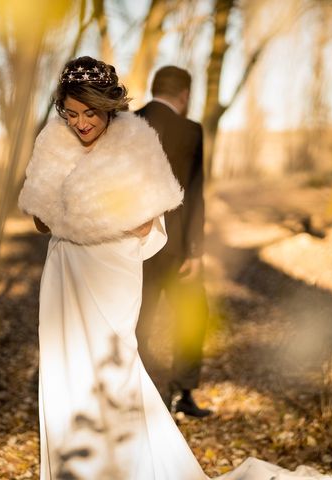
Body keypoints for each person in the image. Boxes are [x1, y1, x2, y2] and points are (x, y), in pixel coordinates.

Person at [18, 56, 332, 480]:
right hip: (63, 271)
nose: (81, 124)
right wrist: (75, 211)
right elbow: (40, 217)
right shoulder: (53, 142)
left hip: (109, 270)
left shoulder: (134, 143)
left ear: (109, 106)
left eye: (90, 113)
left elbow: (144, 218)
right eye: (72, 113)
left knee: (111, 367)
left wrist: (79, 212)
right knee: (65, 371)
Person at [135, 66, 211, 418]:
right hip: (178, 248)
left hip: (132, 247)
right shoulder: (191, 130)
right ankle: (183, 394)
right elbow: (196, 194)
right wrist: (196, 251)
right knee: (192, 316)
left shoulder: (127, 125)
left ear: (154, 88)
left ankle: (144, 394)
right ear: (184, 95)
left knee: (137, 323)